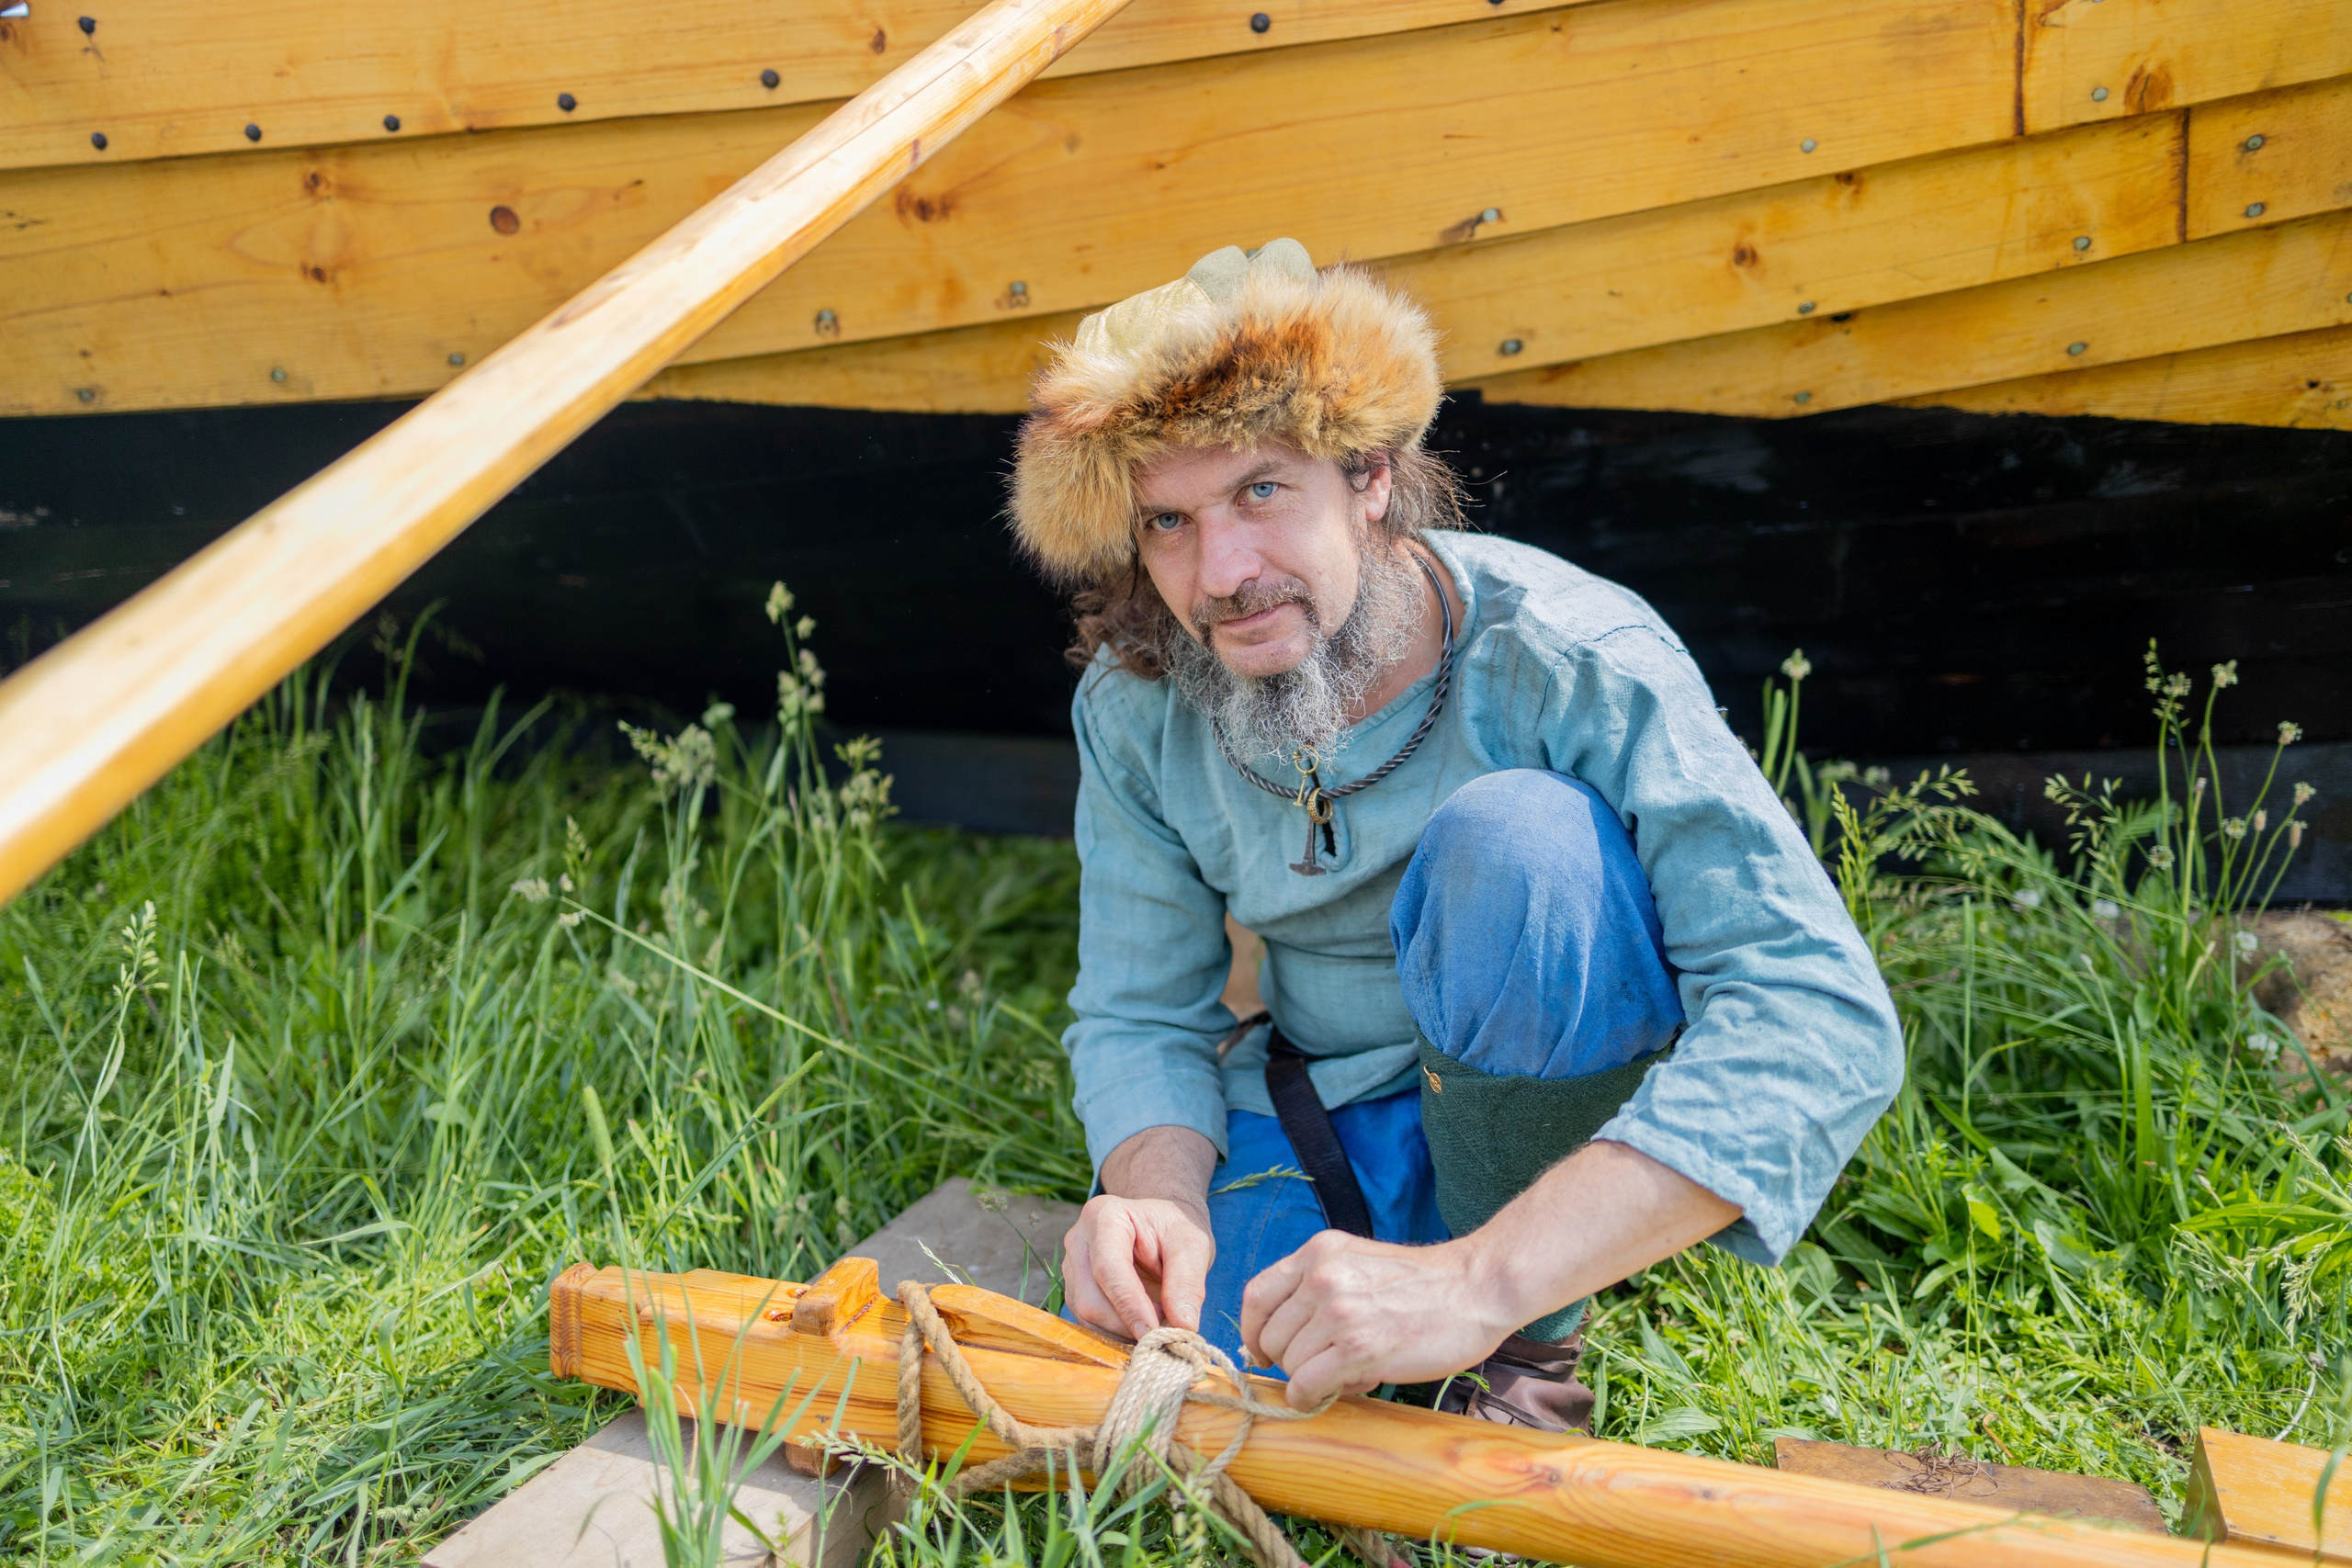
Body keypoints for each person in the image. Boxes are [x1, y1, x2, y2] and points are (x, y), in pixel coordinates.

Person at [1007, 238, 1902, 1427]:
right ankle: (1393, 1258)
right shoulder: (1138, 705)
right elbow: (1139, 1008)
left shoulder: (1576, 658)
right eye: (1168, 521)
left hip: (1550, 1093)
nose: (1219, 570)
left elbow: (1820, 1013)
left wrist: (1484, 1282)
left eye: (1261, 491)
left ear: (1370, 474)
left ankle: (1525, 1350)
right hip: (1321, 1090)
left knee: (1519, 841)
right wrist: (1160, 1198)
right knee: (1174, 1390)